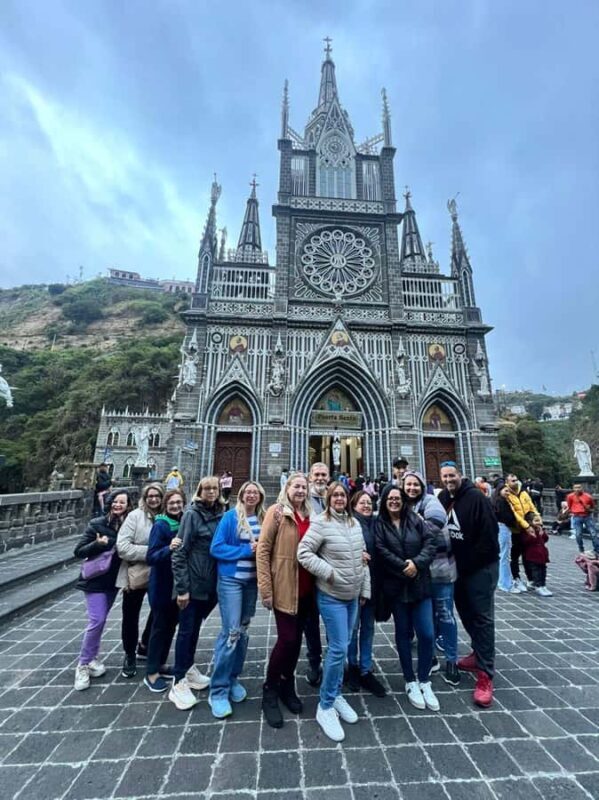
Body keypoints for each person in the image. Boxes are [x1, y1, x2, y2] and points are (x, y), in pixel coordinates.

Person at [297, 482, 371, 742]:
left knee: (343, 646)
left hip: (352, 596)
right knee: (339, 648)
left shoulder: (354, 523)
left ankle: (336, 693)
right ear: (327, 499)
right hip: (331, 597)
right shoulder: (320, 522)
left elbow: (363, 559)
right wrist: (328, 573)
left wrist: (365, 590)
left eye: (342, 494)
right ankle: (325, 706)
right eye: (334, 495)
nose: (339, 498)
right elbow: (303, 553)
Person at [256, 472, 314, 729]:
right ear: (287, 488)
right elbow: (263, 550)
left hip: (308, 589)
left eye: (304, 486)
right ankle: (270, 689)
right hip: (284, 587)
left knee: (295, 641)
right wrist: (265, 589)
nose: (300, 490)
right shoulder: (277, 512)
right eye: (296, 486)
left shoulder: (311, 515)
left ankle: (286, 685)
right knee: (287, 639)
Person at [438, 462, 499, 708]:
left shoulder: (476, 498)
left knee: (482, 617)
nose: (449, 479)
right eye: (445, 476)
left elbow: (489, 537)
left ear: (460, 475)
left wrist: (470, 564)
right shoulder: (442, 497)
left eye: (452, 475)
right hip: (458, 570)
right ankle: (477, 653)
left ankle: (486, 674)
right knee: (465, 613)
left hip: (480, 569)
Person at [375, 483, 439, 712]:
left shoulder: (416, 520)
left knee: (427, 633)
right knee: (402, 634)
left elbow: (431, 544)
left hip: (420, 585)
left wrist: (416, 564)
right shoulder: (379, 524)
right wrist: (404, 566)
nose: (394, 501)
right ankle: (410, 680)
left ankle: (425, 679)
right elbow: (381, 551)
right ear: (383, 501)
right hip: (397, 588)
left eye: (397, 498)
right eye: (390, 498)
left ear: (403, 500)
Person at [208, 481, 266, 719]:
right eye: (248, 492)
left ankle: (233, 678)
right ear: (241, 495)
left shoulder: (264, 518)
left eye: (255, 492)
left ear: (260, 496)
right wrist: (245, 551)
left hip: (251, 583)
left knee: (242, 630)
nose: (251, 495)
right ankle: (218, 690)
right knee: (231, 632)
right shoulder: (230, 517)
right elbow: (216, 547)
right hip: (231, 581)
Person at [169, 476, 225, 710]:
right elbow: (179, 553)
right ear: (199, 491)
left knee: (193, 630)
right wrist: (182, 589)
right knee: (186, 631)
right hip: (191, 585)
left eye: (215, 488)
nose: (211, 491)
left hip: (209, 585)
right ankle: (178, 681)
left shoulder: (221, 513)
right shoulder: (191, 515)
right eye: (207, 488)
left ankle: (189, 668)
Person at [401, 471, 460, 687]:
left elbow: (435, 524)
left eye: (415, 484)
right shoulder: (405, 506)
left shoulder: (431, 502)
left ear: (422, 485)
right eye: (408, 485)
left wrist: (404, 528)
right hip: (419, 574)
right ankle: (432, 656)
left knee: (445, 615)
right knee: (426, 618)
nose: (412, 488)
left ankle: (452, 660)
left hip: (440, 571)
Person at [73, 491, 133, 690]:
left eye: (122, 502)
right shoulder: (97, 523)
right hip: (95, 580)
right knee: (96, 620)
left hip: (113, 581)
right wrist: (97, 544)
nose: (118, 505)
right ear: (109, 503)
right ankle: (82, 664)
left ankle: (91, 658)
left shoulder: (129, 524)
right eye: (115, 501)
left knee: (100, 621)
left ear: (128, 505)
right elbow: (79, 551)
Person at [116, 482, 165, 678]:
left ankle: (145, 644)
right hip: (136, 573)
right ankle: (129, 654)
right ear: (144, 498)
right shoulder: (135, 516)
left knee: (159, 611)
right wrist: (152, 552)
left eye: (157, 496)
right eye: (150, 496)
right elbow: (122, 547)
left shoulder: (167, 517)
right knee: (130, 614)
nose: (154, 499)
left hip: (160, 573)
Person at [144, 489, 186, 692]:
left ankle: (160, 663)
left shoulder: (184, 522)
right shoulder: (160, 525)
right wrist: (169, 548)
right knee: (159, 627)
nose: (176, 506)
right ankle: (151, 672)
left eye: (179, 502)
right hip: (162, 585)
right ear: (165, 505)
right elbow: (151, 557)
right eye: (172, 503)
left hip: (177, 585)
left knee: (170, 626)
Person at [346, 491, 386, 696]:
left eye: (369, 502)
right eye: (362, 502)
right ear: (354, 505)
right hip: (357, 586)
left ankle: (366, 668)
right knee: (353, 628)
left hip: (375, 585)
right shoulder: (350, 524)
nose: (366, 506)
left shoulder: (378, 522)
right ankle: (352, 666)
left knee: (368, 628)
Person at [304, 462, 329, 686]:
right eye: (317, 475)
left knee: (334, 619)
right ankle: (314, 661)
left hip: (331, 570)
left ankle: (334, 662)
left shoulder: (335, 498)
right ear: (310, 477)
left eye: (324, 475)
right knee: (311, 621)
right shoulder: (301, 499)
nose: (320, 478)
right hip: (308, 571)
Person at [504, 474, 537, 592]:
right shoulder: (506, 494)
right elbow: (514, 513)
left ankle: (531, 579)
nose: (515, 482)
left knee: (527, 554)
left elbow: (532, 507)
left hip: (527, 529)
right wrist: (526, 526)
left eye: (516, 480)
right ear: (507, 482)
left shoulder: (523, 493)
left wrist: (538, 521)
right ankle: (516, 578)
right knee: (514, 556)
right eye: (513, 480)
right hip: (515, 530)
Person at [492, 485, 520, 593]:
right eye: (506, 490)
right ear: (500, 491)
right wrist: (514, 521)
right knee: (504, 556)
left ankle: (502, 581)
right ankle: (506, 584)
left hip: (499, 527)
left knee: (502, 555)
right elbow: (507, 517)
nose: (508, 492)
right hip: (504, 528)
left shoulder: (495, 501)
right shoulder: (502, 502)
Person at [523, 514, 552, 596]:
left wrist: (543, 534)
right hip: (533, 555)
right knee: (537, 571)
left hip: (542, 555)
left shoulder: (540, 530)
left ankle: (543, 585)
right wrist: (533, 536)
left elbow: (545, 539)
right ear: (529, 522)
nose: (539, 522)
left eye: (539, 520)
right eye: (536, 521)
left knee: (543, 571)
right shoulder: (528, 531)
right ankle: (538, 585)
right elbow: (526, 542)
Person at [567, 484, 599, 555]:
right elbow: (569, 506)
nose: (577, 489)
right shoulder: (570, 496)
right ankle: (581, 549)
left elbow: (593, 507)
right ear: (573, 488)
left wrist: (589, 509)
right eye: (575, 488)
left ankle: (597, 550)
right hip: (577, 517)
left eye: (579, 487)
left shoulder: (588, 496)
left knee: (593, 533)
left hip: (587, 516)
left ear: (582, 488)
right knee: (578, 534)